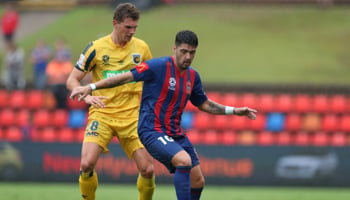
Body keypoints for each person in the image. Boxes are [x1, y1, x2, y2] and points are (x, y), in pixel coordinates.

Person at [70, 30, 258, 200]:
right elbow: (125, 76)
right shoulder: (157, 66)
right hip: (151, 130)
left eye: (192, 53)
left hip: (175, 133)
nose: (188, 56)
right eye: (184, 51)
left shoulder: (193, 76)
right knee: (183, 161)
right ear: (175, 48)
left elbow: (204, 104)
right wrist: (91, 87)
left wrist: (234, 110)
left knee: (198, 181)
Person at [66, 3, 155, 200]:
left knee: (148, 170)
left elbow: (152, 79)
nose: (131, 32)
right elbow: (72, 80)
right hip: (103, 114)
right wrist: (87, 96)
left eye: (134, 28)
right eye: (127, 27)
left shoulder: (142, 49)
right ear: (115, 24)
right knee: (86, 164)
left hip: (132, 117)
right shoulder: (96, 48)